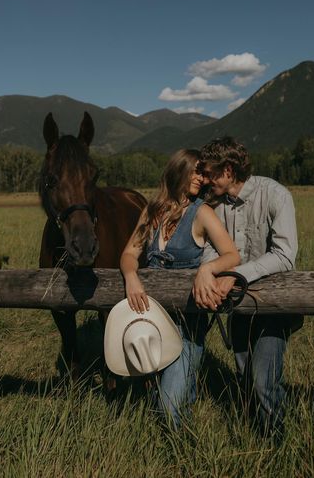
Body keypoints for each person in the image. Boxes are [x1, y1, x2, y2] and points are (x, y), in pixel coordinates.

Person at [120, 148, 240, 427]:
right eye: (197, 171)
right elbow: (129, 253)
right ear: (179, 170)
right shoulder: (151, 211)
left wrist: (207, 269)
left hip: (188, 323)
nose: (203, 178)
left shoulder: (202, 213)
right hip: (151, 320)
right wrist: (131, 276)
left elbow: (232, 255)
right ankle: (180, 442)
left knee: (168, 407)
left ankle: (182, 436)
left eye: (204, 174)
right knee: (156, 395)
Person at [195, 136, 301, 438]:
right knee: (243, 376)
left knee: (263, 380)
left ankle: (276, 443)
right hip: (236, 307)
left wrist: (236, 275)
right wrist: (211, 271)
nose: (205, 179)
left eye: (210, 172)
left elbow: (284, 256)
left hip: (273, 307)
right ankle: (252, 434)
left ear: (228, 170)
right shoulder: (214, 205)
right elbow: (211, 248)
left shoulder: (276, 195)